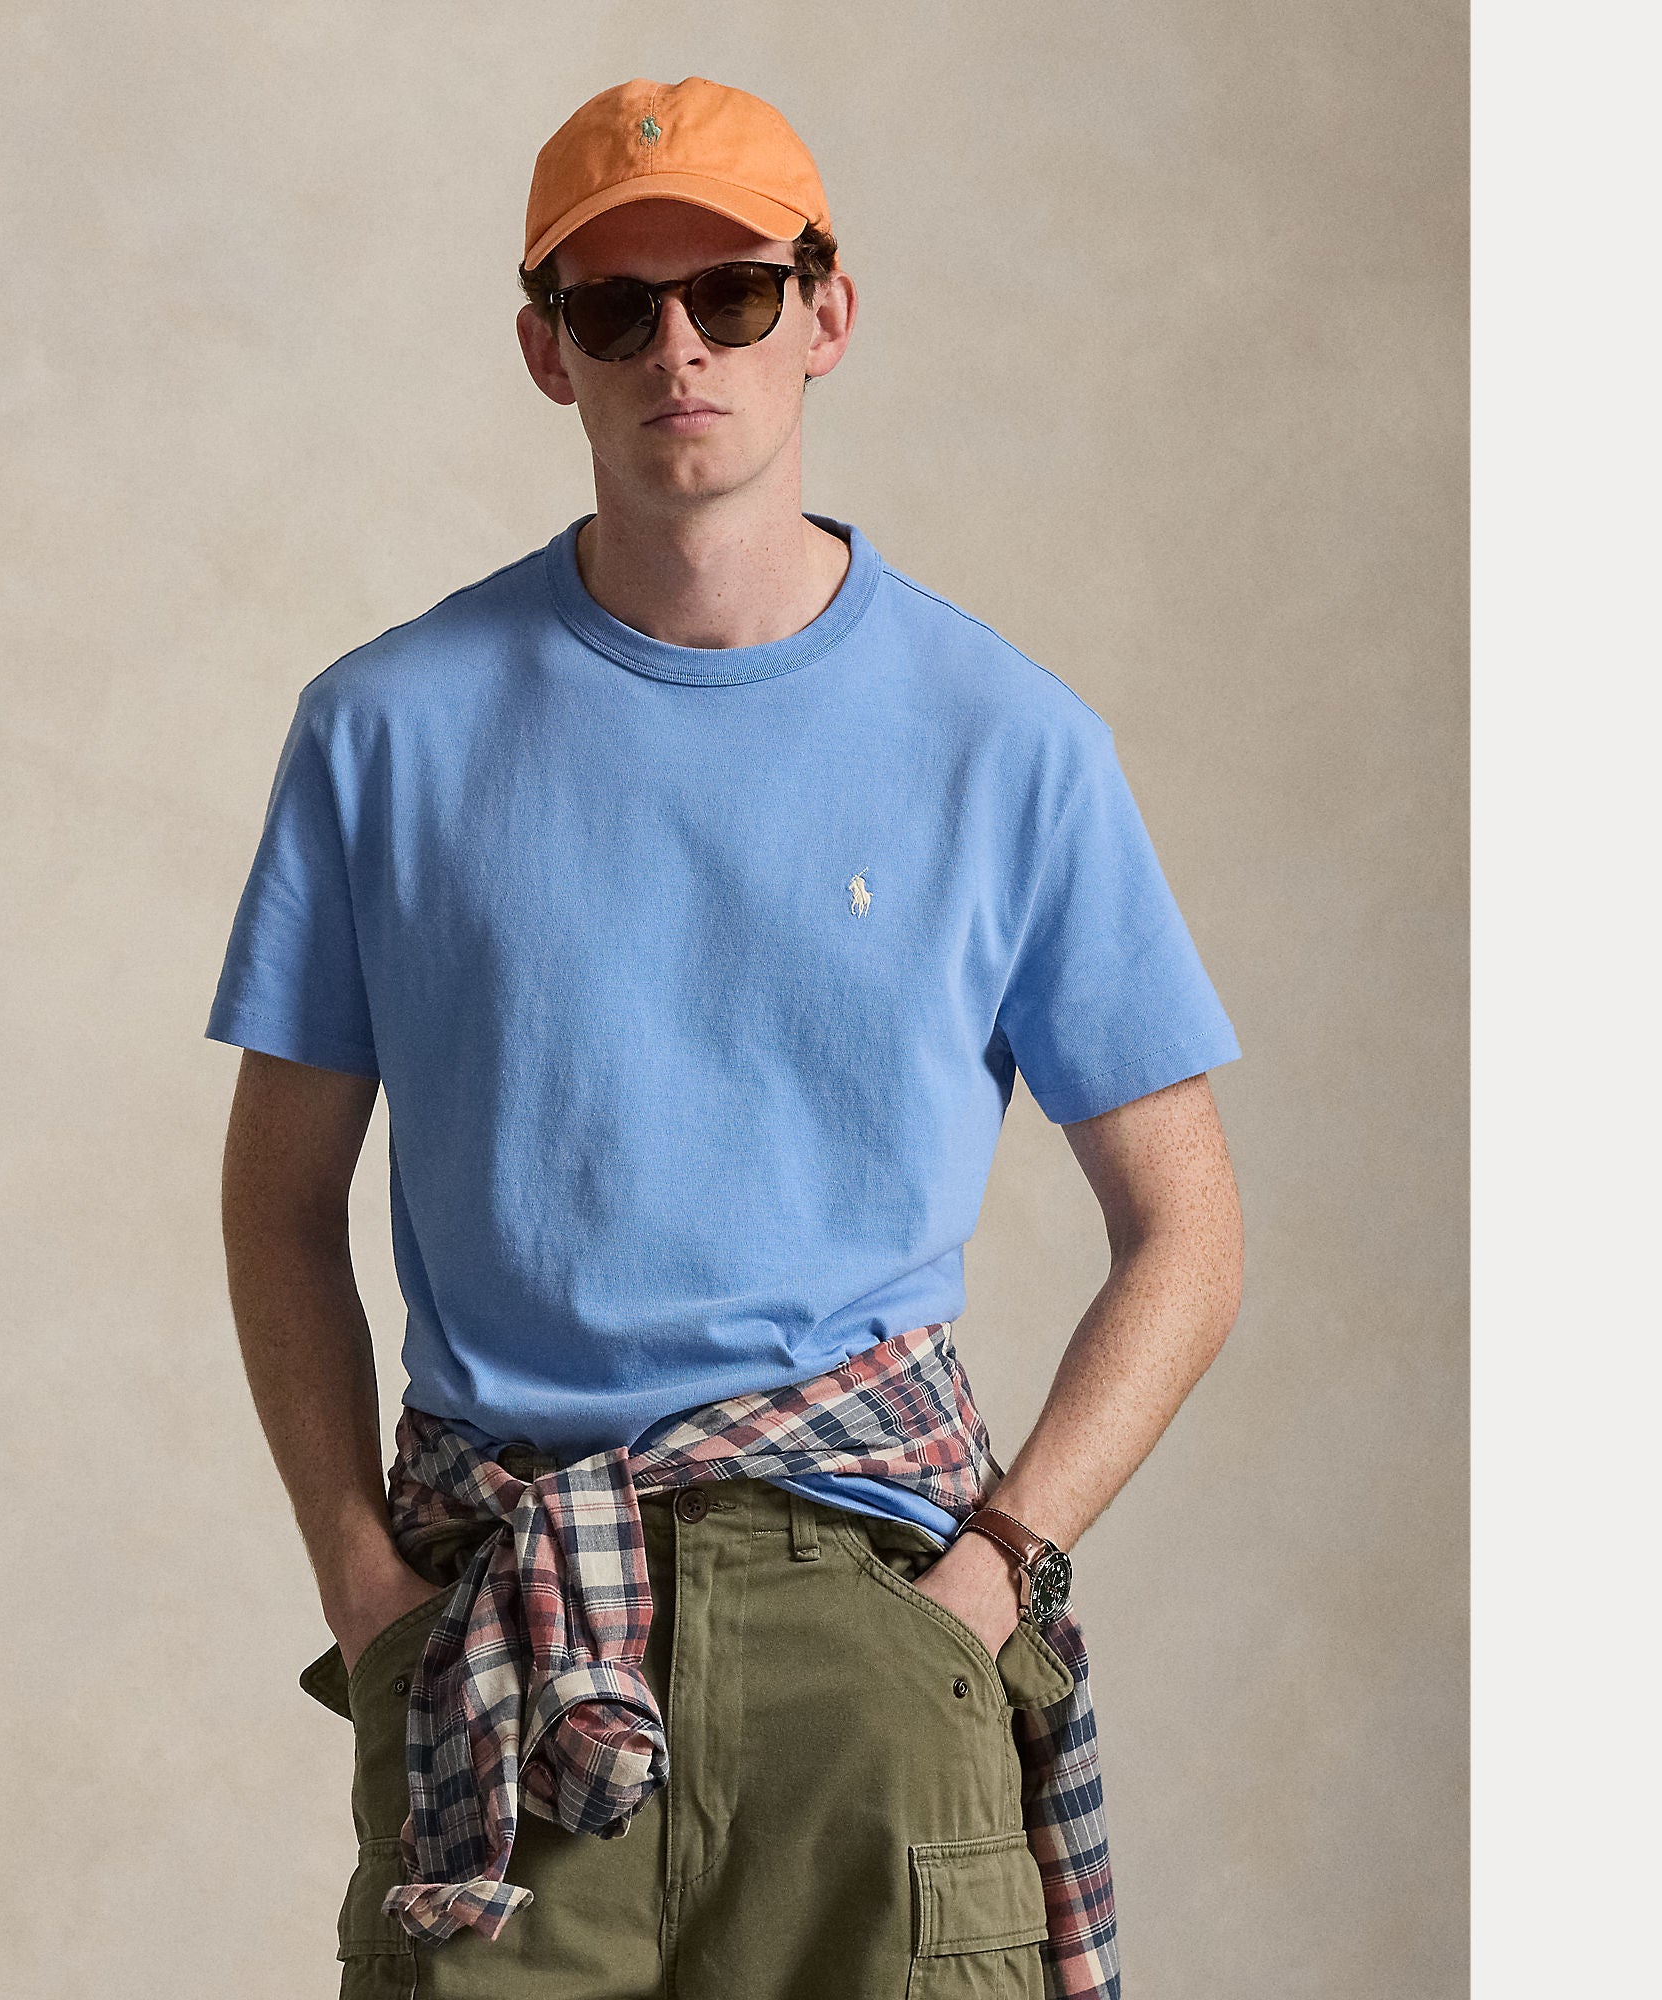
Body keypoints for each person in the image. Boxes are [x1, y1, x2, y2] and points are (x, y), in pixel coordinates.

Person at [208, 74, 1243, 2000]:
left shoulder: (1010, 744)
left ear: (825, 315)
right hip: (510, 1628)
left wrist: (990, 1576)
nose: (676, 347)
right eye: (616, 308)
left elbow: (1188, 1233)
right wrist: (363, 1587)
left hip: (867, 1624)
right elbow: (279, 1201)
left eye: (734, 294)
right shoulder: (383, 733)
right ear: (548, 351)